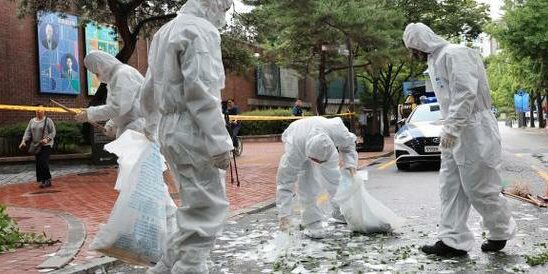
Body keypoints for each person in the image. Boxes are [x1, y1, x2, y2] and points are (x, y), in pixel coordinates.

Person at [403, 23, 516, 256]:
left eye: (413, 48)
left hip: (475, 128)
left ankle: (500, 231)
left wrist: (453, 128)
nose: (413, 54)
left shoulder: (455, 53)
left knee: (480, 186)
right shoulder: (435, 60)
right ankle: (452, 240)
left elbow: (466, 92)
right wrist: (450, 128)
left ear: (421, 43)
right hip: (454, 129)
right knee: (450, 186)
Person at [139, 0, 234, 273]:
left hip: (170, 127)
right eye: (225, 9)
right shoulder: (201, 31)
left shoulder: (165, 32)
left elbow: (149, 86)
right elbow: (202, 90)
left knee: (193, 205)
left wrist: (151, 121)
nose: (224, 17)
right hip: (193, 128)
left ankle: (168, 263)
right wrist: (218, 141)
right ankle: (189, 266)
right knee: (206, 207)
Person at [277, 116, 358, 239]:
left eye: (321, 161)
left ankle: (341, 211)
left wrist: (350, 164)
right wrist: (284, 215)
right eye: (316, 160)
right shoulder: (295, 150)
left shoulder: (337, 130)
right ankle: (312, 222)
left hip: (323, 144)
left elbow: (349, 144)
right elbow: (285, 183)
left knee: (335, 179)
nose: (318, 164)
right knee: (307, 184)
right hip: (298, 137)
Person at [74, 51, 144, 138]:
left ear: (101, 66)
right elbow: (123, 108)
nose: (97, 76)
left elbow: (118, 108)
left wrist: (90, 113)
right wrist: (112, 125)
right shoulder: (116, 77)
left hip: (139, 130)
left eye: (96, 72)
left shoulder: (122, 74)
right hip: (133, 130)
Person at [19, 105, 56, 188]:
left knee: (44, 162)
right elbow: (27, 132)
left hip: (46, 145)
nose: (38, 113)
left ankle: (48, 179)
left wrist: (47, 139)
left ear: (44, 112)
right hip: (36, 145)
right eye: (37, 112)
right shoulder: (32, 121)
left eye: (40, 112)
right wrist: (23, 141)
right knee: (39, 163)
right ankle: (43, 180)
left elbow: (53, 132)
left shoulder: (48, 120)